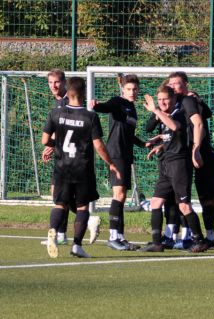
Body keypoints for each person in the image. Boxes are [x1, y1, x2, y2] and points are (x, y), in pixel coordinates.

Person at [41, 77, 120, 258]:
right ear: (84, 93)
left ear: (67, 93)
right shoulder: (90, 116)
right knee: (83, 207)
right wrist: (112, 164)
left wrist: (58, 143)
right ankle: (77, 245)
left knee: (60, 204)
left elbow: (45, 140)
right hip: (82, 169)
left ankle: (53, 231)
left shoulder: (55, 113)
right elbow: (99, 145)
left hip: (62, 167)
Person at [167, 72, 214, 249]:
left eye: (177, 83)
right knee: (206, 199)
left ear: (185, 85)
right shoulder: (181, 103)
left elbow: (202, 122)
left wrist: (196, 149)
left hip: (204, 156)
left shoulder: (189, 101)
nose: (173, 86)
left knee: (209, 199)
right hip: (196, 155)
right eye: (171, 83)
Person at [139, 85, 209, 253]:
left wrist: (156, 110)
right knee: (156, 202)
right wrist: (160, 145)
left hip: (179, 164)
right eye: (160, 99)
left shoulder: (180, 112)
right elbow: (170, 136)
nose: (162, 102)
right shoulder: (164, 115)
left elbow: (175, 127)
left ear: (173, 99)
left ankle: (200, 240)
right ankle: (157, 242)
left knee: (183, 205)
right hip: (166, 164)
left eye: (166, 99)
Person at [41, 69, 101, 246]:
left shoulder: (69, 102)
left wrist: (53, 144)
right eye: (50, 82)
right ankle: (68, 231)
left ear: (65, 83)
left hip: (71, 161)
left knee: (60, 197)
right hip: (66, 158)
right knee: (59, 196)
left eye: (57, 82)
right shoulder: (60, 102)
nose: (53, 86)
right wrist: (53, 144)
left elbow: (66, 129)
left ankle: (61, 234)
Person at [89, 74, 146, 251]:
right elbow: (106, 107)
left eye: (135, 89)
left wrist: (143, 143)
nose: (132, 92)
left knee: (122, 196)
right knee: (119, 194)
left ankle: (120, 237)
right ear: (123, 89)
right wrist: (97, 105)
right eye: (129, 89)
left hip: (126, 154)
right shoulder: (117, 101)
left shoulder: (132, 108)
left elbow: (128, 134)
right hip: (116, 154)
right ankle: (113, 237)